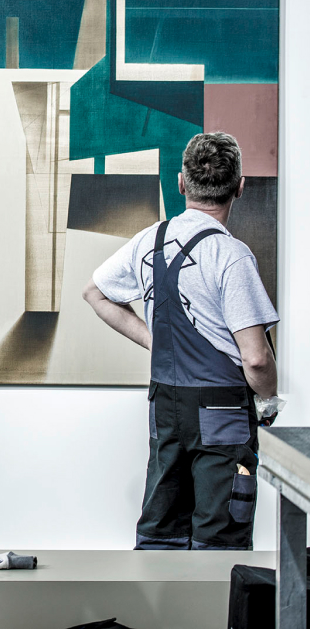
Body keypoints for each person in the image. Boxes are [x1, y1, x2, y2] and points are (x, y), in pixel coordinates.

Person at [84, 132, 278, 550]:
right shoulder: (231, 255)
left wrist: (156, 341)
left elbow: (95, 293)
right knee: (220, 537)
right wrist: (268, 402)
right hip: (224, 409)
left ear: (181, 183)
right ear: (239, 187)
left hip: (166, 405)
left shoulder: (148, 240)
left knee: (162, 532)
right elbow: (257, 359)